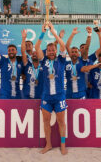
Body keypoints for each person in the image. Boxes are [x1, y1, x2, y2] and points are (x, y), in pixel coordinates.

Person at [35, 22, 68, 155]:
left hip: (59, 96)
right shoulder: (43, 60)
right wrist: (42, 32)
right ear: (46, 52)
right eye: (49, 50)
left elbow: (63, 45)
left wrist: (53, 32)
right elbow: (37, 47)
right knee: (46, 121)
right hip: (46, 97)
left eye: (53, 50)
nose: (51, 52)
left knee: (61, 122)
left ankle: (63, 145)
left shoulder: (61, 60)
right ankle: (48, 144)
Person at [65, 27, 101, 99]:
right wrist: (73, 34)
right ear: (79, 51)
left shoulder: (91, 58)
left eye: (85, 47)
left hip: (89, 88)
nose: (84, 48)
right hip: (76, 90)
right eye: (82, 47)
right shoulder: (78, 59)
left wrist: (96, 34)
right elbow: (67, 47)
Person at [0, 23, 23, 99]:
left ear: (16, 52)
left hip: (17, 95)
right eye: (9, 50)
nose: (11, 51)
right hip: (5, 95)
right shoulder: (3, 61)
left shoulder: (20, 62)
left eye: (13, 50)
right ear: (7, 52)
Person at [21, 29, 43, 99]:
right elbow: (23, 52)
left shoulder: (43, 62)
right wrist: (23, 38)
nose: (34, 54)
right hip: (27, 94)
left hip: (40, 94)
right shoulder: (26, 61)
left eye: (29, 44)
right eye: (25, 45)